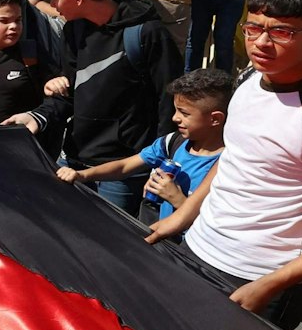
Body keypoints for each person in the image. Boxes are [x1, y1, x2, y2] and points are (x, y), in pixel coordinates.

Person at [170, 0, 302, 330]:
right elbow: (234, 159)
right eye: (253, 28)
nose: (261, 42)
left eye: (281, 32)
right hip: (197, 249)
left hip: (262, 280)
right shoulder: (248, 78)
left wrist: (271, 285)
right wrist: (183, 216)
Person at [13, 0, 182, 210]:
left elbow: (169, 101)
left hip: (122, 172)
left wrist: (159, 162)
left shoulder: (147, 34)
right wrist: (37, 116)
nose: (50, 2)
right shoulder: (73, 30)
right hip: (73, 161)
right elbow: (68, 91)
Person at [64, 69, 232, 234]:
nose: (174, 118)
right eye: (175, 110)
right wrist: (83, 175)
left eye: (184, 113)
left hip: (191, 253)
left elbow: (222, 229)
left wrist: (178, 200)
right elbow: (124, 166)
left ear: (215, 119)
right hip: (162, 244)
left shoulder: (231, 166)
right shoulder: (172, 143)